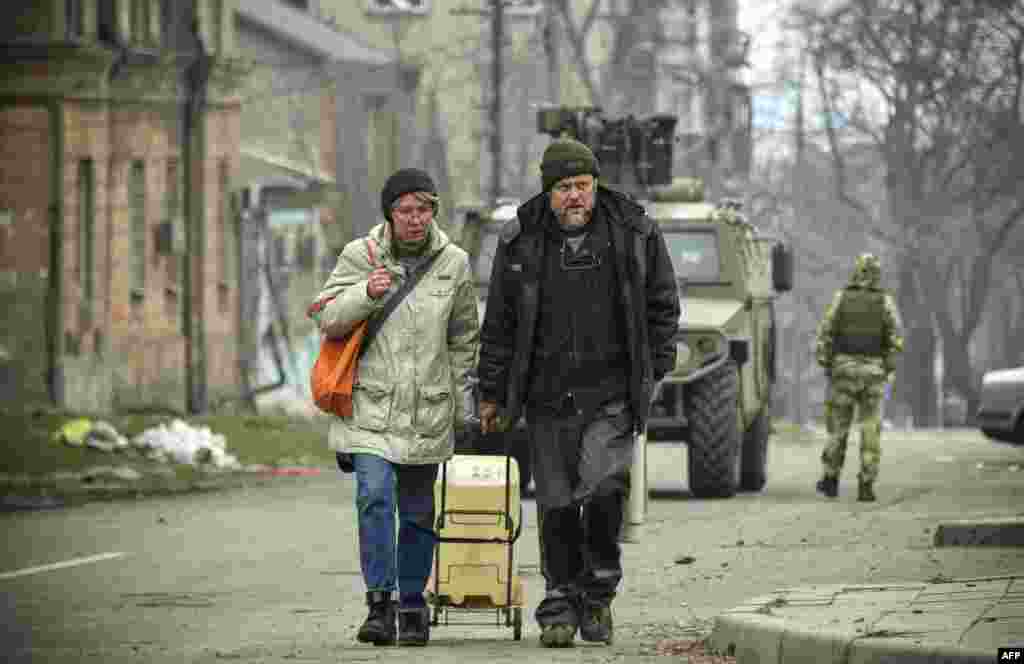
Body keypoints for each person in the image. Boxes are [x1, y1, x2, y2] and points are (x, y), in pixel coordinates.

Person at [476, 138, 680, 648]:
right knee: (558, 505)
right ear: (548, 192)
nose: (576, 197)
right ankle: (560, 604)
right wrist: (492, 391)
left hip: (611, 394)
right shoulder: (520, 238)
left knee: (606, 491)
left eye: (583, 186)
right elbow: (499, 323)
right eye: (565, 187)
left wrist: (654, 370)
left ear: (595, 186)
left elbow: (663, 306)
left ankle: (598, 598)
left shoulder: (634, 230)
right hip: (546, 398)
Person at [308, 168, 479, 646]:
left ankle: (412, 603)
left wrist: (460, 394)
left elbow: (465, 337)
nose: (414, 219)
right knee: (375, 495)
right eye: (405, 210)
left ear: (434, 212)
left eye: (423, 209)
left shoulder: (454, 263)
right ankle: (379, 604)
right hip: (370, 408)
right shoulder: (359, 256)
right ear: (389, 213)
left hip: (428, 409)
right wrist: (367, 293)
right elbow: (325, 316)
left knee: (419, 511)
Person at [814, 253, 904, 502]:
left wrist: (826, 362)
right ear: (876, 275)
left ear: (856, 272)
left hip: (843, 370)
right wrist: (887, 366)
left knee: (838, 428)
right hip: (874, 373)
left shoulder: (840, 298)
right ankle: (866, 484)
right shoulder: (885, 302)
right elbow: (896, 338)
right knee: (870, 428)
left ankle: (830, 479)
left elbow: (825, 332)